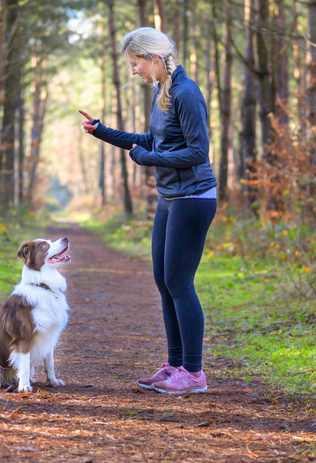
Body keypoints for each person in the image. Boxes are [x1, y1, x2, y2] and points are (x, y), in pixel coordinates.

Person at [79, 27, 217, 394]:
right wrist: (102, 131)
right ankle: (174, 366)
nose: (134, 71)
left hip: (194, 198)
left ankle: (194, 373)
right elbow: (152, 141)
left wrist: (148, 159)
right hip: (171, 197)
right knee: (164, 282)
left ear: (153, 58)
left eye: (135, 63)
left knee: (180, 284)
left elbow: (198, 152)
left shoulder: (186, 93)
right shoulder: (163, 90)